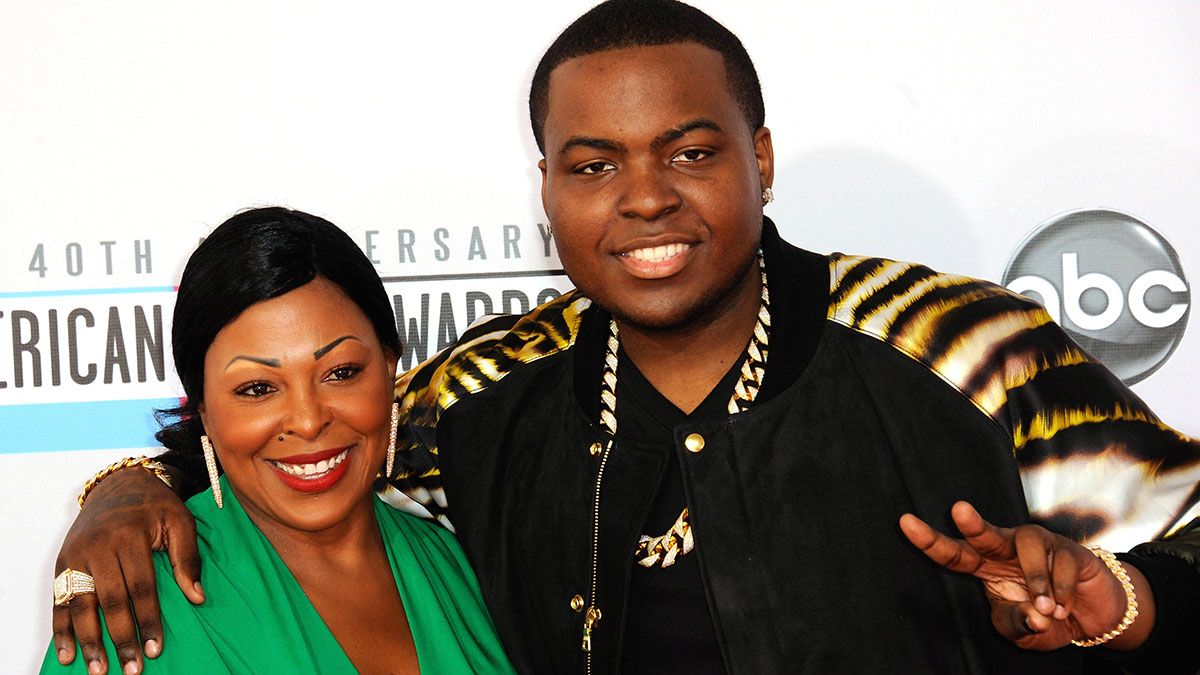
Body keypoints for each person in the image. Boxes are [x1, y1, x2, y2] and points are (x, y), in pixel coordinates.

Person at [49, 2, 1200, 673]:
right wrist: (121, 491)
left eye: (690, 152)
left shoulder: (958, 346)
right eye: (593, 166)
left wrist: (1118, 602)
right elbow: (307, 449)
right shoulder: (486, 394)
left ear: (759, 155)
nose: (643, 199)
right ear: (548, 192)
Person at [42, 208, 514, 674]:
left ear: (391, 366)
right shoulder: (131, 604)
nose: (307, 422)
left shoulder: (468, 562)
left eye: (341, 373)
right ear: (202, 407)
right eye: (257, 389)